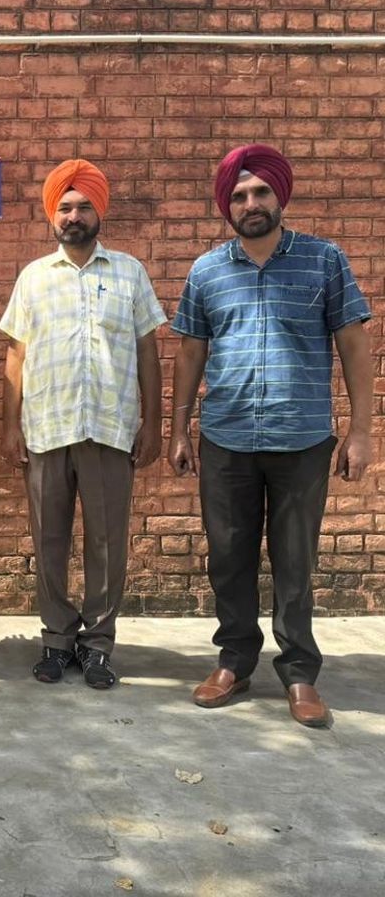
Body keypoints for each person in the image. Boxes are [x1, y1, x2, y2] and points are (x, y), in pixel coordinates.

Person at [169, 144, 373, 729]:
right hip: (226, 438)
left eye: (260, 192)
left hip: (301, 438)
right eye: (238, 195)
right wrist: (178, 429)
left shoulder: (323, 260)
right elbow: (191, 352)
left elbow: (353, 343)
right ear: (226, 205)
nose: (250, 203)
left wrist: (361, 431)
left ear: (280, 196)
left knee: (295, 560)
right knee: (228, 558)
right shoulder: (207, 271)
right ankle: (234, 661)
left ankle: (300, 671)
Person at [0, 159, 166, 689]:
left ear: (100, 212)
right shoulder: (33, 277)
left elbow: (148, 351)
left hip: (110, 429)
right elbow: (16, 355)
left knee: (107, 543)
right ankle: (56, 639)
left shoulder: (129, 273)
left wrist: (154, 422)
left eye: (84, 207)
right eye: (65, 207)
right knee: (48, 540)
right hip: (47, 428)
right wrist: (10, 426)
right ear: (53, 215)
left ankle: (97, 645)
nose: (74, 216)